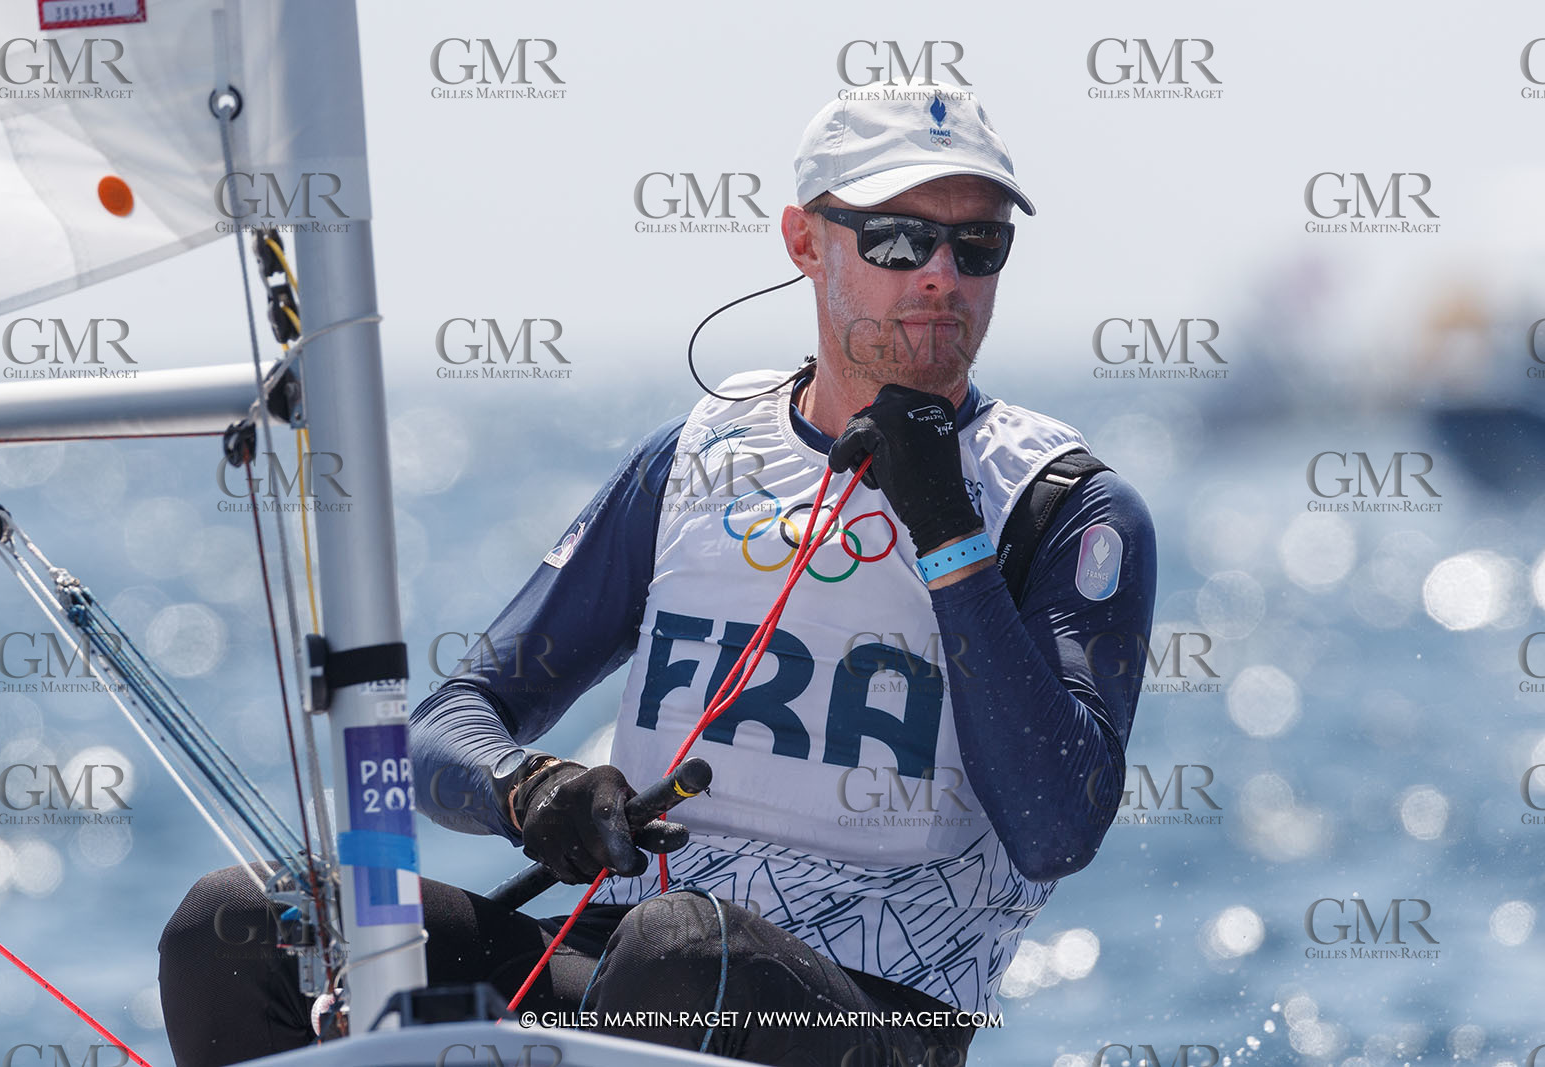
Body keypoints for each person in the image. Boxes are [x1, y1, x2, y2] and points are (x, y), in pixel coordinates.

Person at [158, 82, 1156, 1067]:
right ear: (805, 241)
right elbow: (444, 720)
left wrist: (946, 529)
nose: (941, 275)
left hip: (869, 1014)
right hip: (623, 966)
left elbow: (1055, 829)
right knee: (238, 922)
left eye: (977, 245)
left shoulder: (1063, 506)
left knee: (678, 951)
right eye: (899, 239)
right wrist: (528, 789)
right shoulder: (692, 459)